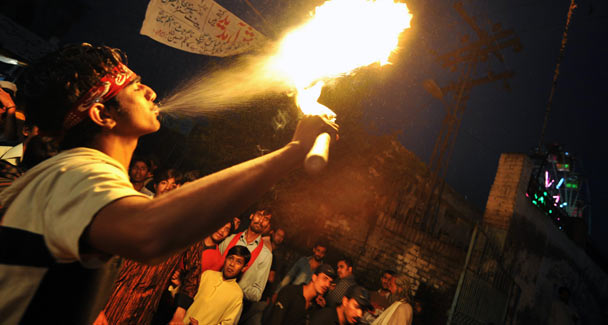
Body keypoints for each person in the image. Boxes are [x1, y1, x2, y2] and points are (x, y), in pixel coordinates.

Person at [0, 43, 338, 324]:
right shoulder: (78, 171)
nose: (151, 91)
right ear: (102, 114)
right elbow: (150, 233)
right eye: (133, 87)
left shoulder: (67, 174)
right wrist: (291, 153)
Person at [180, 245, 251, 325]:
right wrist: (176, 285)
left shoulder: (237, 294)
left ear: (244, 268)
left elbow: (227, 323)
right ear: (225, 259)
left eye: (238, 262)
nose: (232, 264)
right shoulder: (208, 275)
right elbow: (187, 294)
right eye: (231, 258)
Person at [219, 209, 274, 303]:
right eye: (259, 215)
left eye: (265, 219)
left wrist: (234, 287)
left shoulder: (266, 255)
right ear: (251, 216)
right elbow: (213, 266)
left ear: (268, 225)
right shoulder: (229, 239)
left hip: (232, 304)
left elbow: (257, 294)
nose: (260, 221)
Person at [263, 263, 336, 325]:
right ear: (314, 277)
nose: (327, 284)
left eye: (330, 282)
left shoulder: (315, 305)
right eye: (325, 278)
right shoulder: (290, 292)